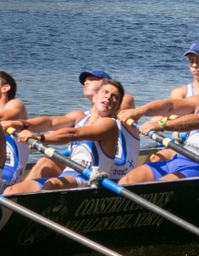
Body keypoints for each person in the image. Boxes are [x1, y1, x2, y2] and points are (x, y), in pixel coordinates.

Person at [10, 73, 151, 190]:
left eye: (114, 96)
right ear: (95, 97)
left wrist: (39, 138)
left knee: (53, 184)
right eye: (105, 92)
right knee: (14, 190)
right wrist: (19, 124)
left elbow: (74, 134)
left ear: (117, 106)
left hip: (91, 180)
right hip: (70, 173)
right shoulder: (79, 116)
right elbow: (50, 122)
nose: (108, 97)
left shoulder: (109, 125)